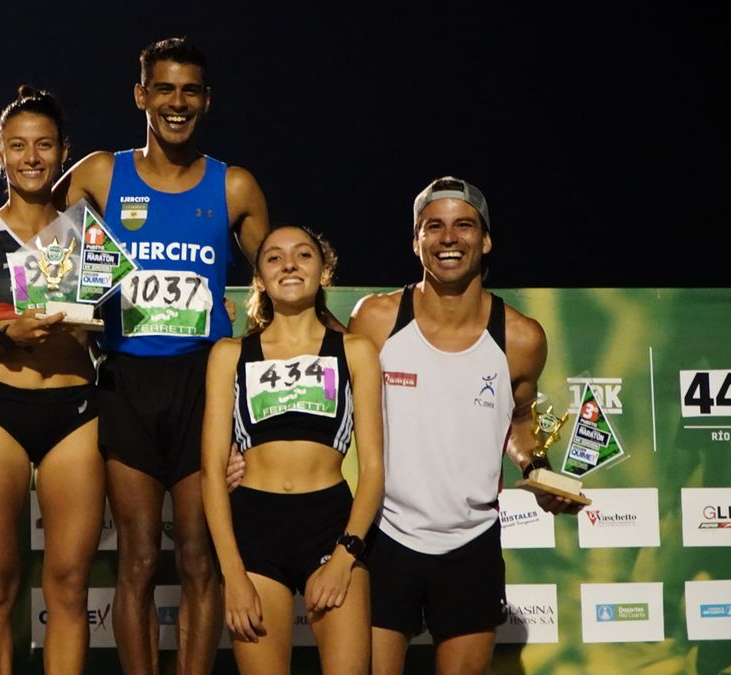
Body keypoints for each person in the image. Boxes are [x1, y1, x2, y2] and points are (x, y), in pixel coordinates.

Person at [0, 37, 269, 675]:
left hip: (200, 384)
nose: (177, 102)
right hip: (123, 380)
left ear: (207, 100)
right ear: (140, 95)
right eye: (164, 88)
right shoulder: (98, 174)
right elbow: (33, 213)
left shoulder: (234, 185)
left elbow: (282, 277)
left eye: (191, 91)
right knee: (139, 558)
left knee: (199, 558)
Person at [347, 177, 581, 675]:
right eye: (434, 226)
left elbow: (520, 421)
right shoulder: (375, 319)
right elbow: (333, 409)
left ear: (486, 240)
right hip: (384, 536)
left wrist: (537, 471)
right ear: (416, 241)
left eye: (464, 226)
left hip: (471, 544)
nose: (449, 238)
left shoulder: (522, 338)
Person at [0, 87, 104, 675]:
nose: (32, 158)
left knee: (70, 584)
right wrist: (8, 338)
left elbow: (115, 317)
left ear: (63, 152)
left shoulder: (90, 235)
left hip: (73, 411)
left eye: (44, 145)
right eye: (18, 146)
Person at [202, 225, 382, 674]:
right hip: (254, 531)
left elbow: (375, 469)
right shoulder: (229, 354)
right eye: (274, 257)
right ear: (259, 279)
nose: (289, 265)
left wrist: (345, 555)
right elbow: (211, 472)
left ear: (324, 271)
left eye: (303, 255)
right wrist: (232, 573)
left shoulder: (356, 351)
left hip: (331, 527)